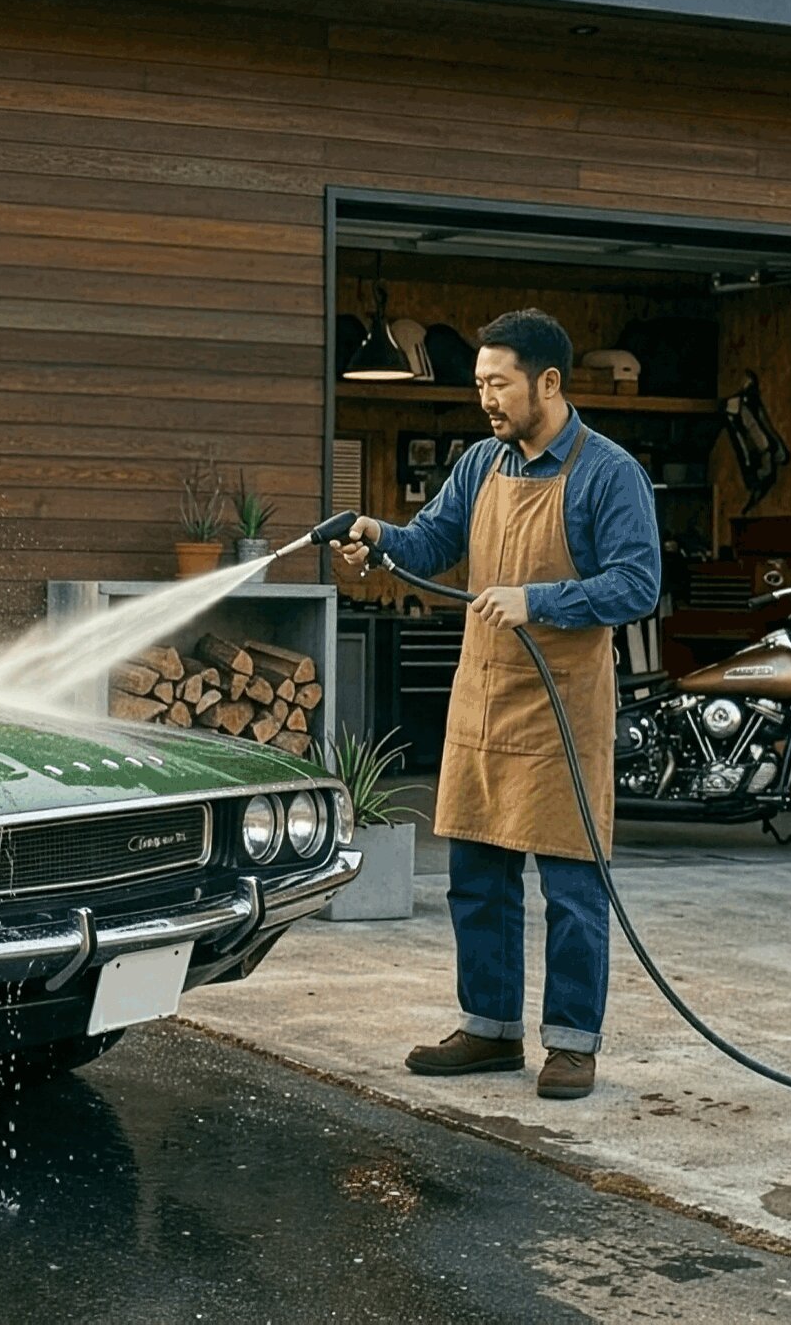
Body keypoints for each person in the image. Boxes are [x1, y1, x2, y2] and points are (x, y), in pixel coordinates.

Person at [334, 309, 661, 1099]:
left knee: (572, 889)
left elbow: (638, 583)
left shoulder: (609, 472)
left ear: (547, 383)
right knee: (477, 879)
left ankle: (572, 1045)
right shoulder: (480, 462)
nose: (484, 398)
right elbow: (431, 544)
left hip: (563, 711)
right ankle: (489, 1030)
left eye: (498, 384)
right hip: (483, 700)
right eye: (479, 384)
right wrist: (377, 535)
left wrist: (536, 599)